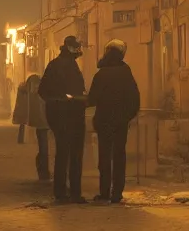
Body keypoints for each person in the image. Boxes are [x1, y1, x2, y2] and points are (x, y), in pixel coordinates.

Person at [87, 38, 140, 204]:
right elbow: (134, 99)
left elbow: (92, 99)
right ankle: (117, 193)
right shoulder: (126, 73)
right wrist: (126, 116)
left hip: (103, 121)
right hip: (120, 123)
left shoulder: (101, 74)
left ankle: (104, 192)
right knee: (119, 156)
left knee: (104, 157)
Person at [38, 35, 87, 203]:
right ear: (69, 48)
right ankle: (70, 192)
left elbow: (43, 91)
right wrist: (64, 100)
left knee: (65, 154)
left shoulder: (61, 65)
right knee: (71, 155)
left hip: (64, 115)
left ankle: (64, 192)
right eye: (76, 47)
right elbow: (44, 91)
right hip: (67, 115)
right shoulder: (61, 66)